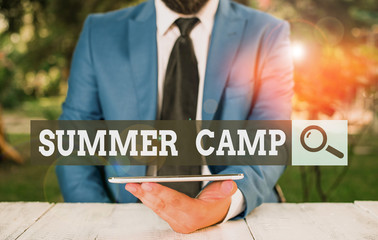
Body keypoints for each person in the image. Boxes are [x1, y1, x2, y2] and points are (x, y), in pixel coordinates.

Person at [56, 0, 293, 233]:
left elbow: (272, 138)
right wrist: (99, 221)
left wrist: (222, 203)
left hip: (234, 219)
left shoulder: (267, 32)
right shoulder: (99, 32)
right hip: (125, 216)